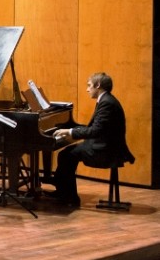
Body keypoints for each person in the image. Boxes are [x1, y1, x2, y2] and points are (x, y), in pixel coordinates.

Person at [50, 72, 134, 207]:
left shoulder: (106, 103)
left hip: (106, 150)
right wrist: (75, 130)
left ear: (98, 85)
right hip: (108, 145)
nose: (87, 89)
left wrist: (71, 131)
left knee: (67, 155)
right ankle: (62, 190)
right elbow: (98, 127)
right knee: (67, 153)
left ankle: (69, 196)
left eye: (89, 85)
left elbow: (96, 131)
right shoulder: (107, 100)